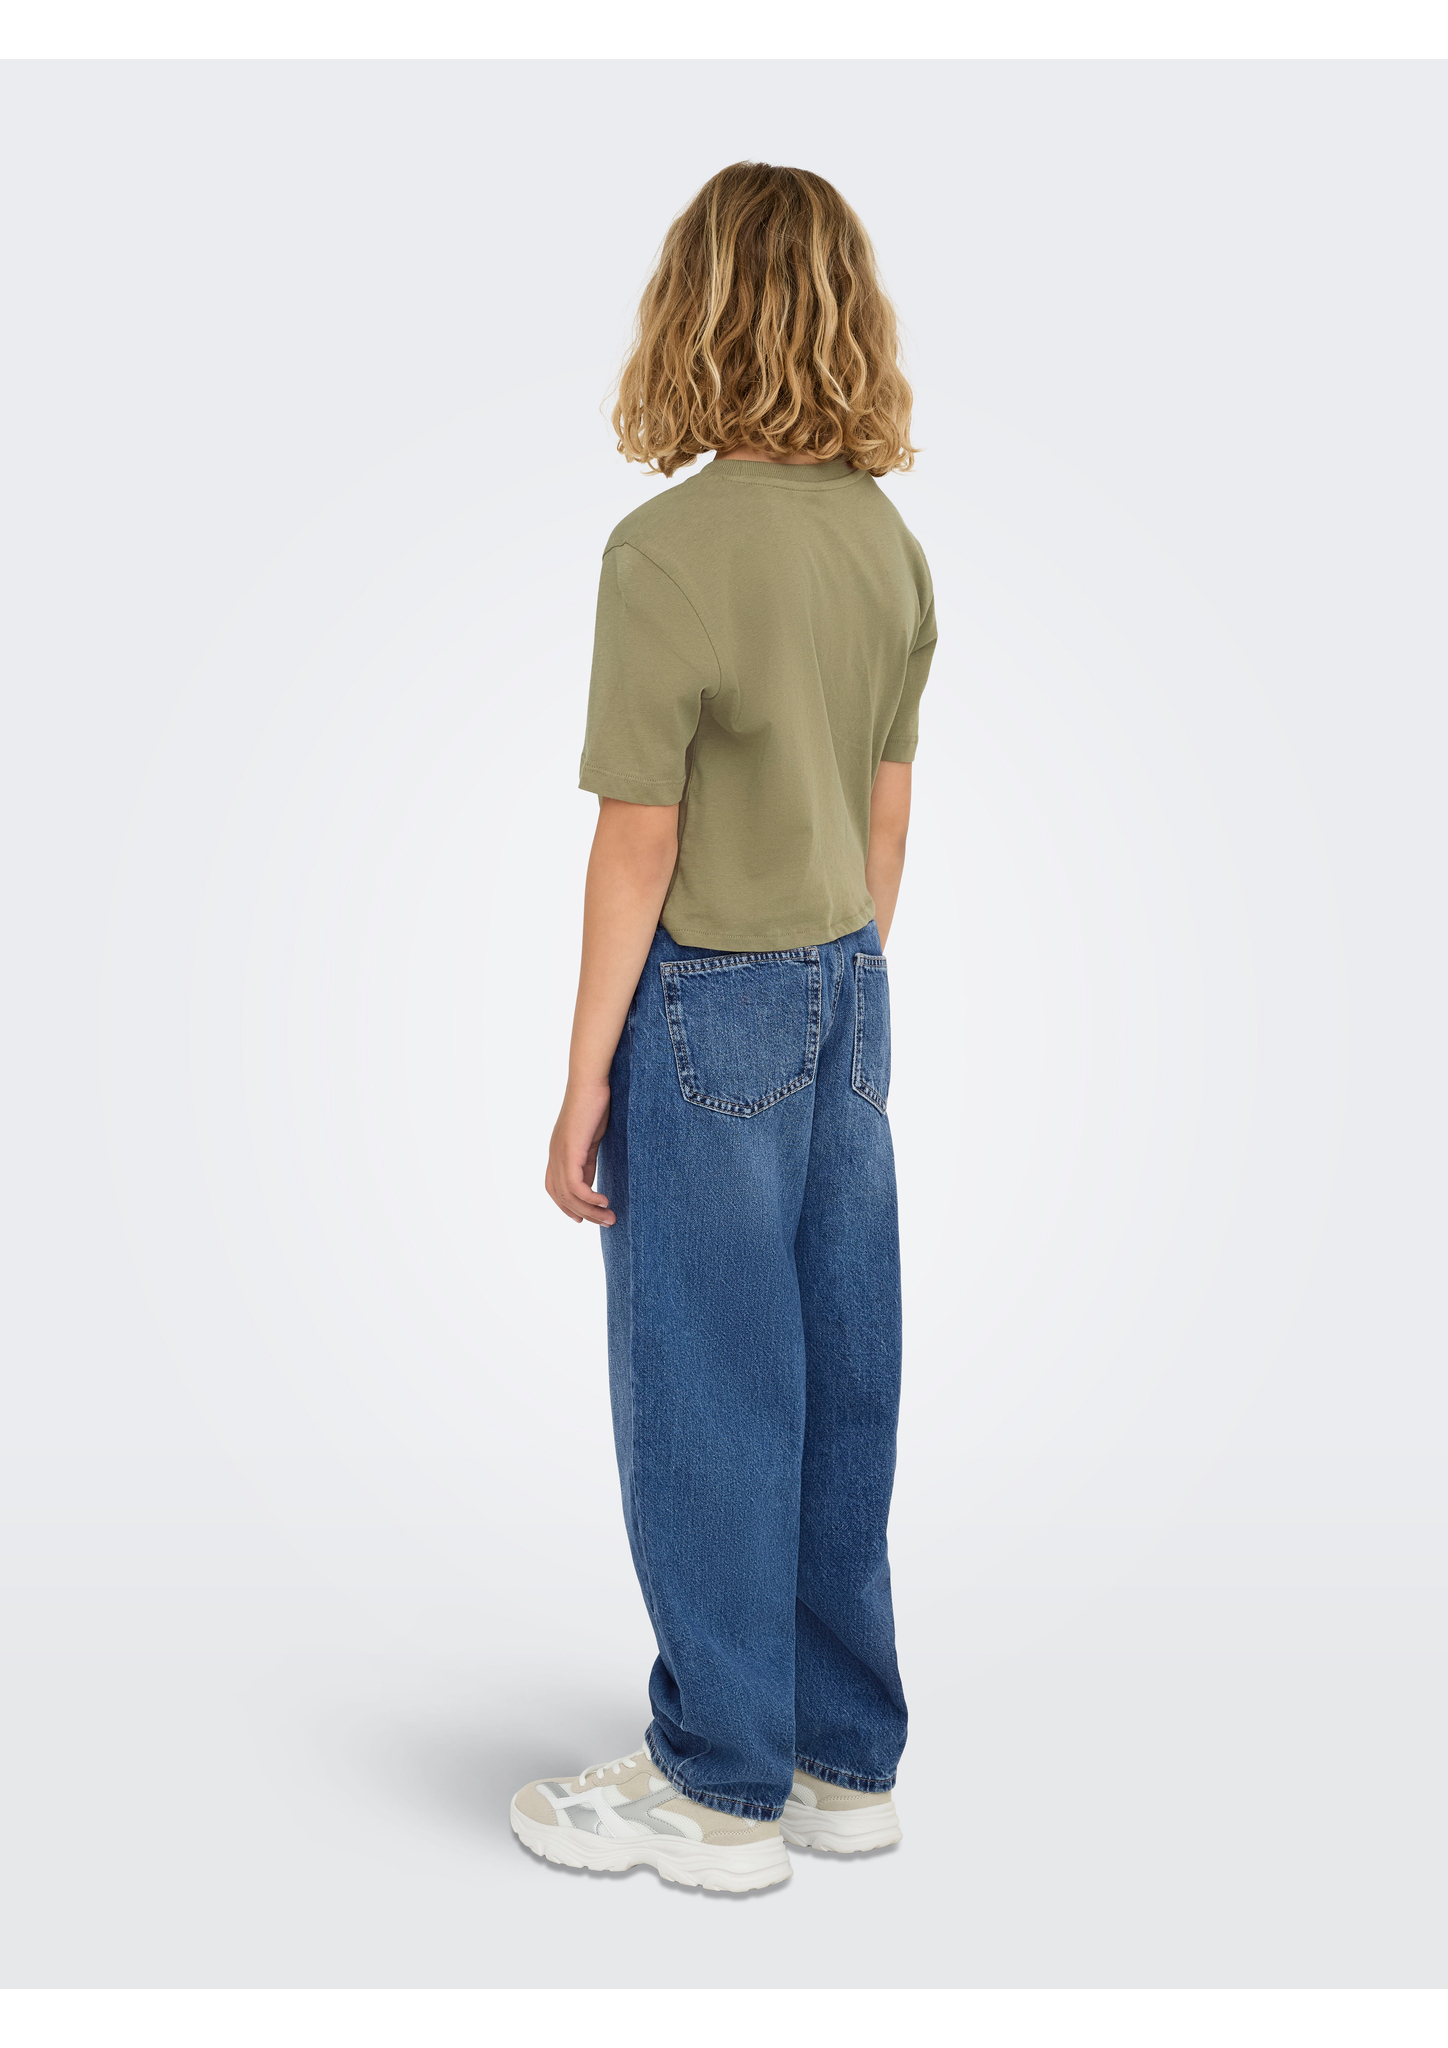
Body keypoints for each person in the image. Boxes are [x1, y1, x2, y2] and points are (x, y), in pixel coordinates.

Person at [510, 161, 936, 1894]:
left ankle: (717, 1782)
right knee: (840, 1375)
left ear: (690, 314)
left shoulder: (666, 552)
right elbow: (887, 813)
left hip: (707, 1001)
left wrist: (584, 1078)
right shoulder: (885, 545)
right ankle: (840, 1758)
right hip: (851, 988)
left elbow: (640, 843)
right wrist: (845, 989)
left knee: (704, 1385)